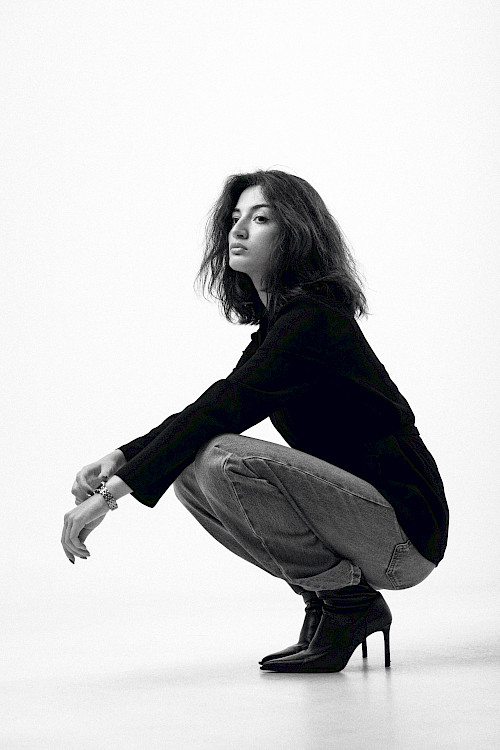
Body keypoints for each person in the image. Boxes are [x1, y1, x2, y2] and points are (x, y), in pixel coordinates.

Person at [62, 169, 449, 673]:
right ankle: (328, 603)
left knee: (219, 456)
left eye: (261, 219)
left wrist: (109, 496)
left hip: (403, 537)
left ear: (296, 234)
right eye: (235, 218)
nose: (238, 230)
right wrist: (121, 456)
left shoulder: (313, 321)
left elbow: (224, 408)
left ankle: (350, 605)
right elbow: (215, 404)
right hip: (371, 527)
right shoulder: (281, 325)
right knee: (190, 470)